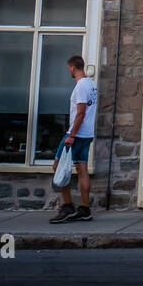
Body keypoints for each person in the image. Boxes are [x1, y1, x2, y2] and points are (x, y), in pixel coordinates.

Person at [50, 55, 98, 223]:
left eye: (68, 69)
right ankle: (84, 209)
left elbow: (81, 112)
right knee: (81, 168)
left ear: (72, 68)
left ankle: (68, 206)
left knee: (58, 166)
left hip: (76, 134)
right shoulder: (91, 84)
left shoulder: (80, 86)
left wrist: (71, 135)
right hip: (87, 134)